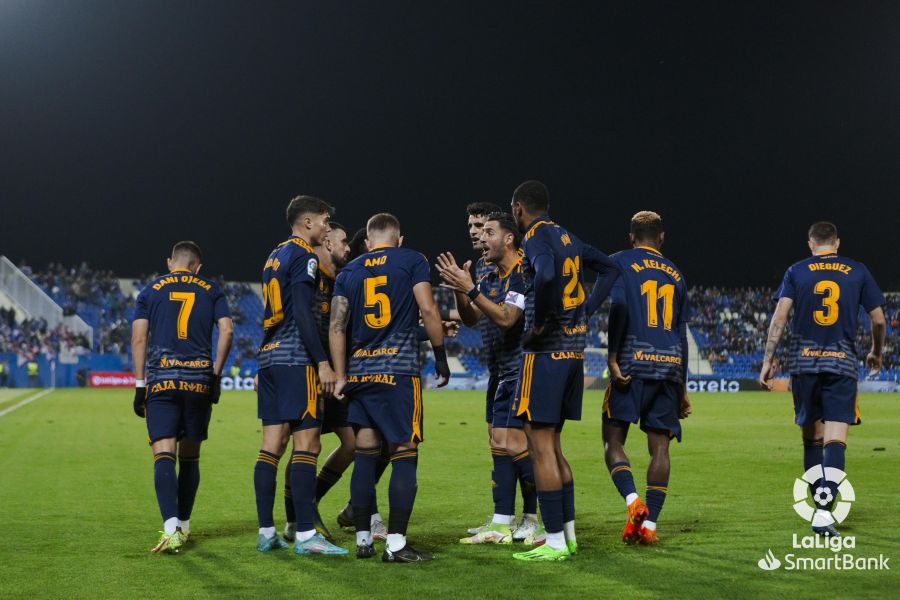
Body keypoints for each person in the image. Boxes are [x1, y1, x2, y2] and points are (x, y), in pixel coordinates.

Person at [508, 180, 619, 561]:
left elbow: (548, 276)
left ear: (519, 209)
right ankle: (568, 536)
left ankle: (554, 540)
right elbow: (610, 269)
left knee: (539, 448)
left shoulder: (536, 237)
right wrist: (586, 308)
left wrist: (540, 323)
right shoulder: (569, 237)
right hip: (573, 352)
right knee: (553, 445)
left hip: (545, 353)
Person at [330, 212, 450, 562]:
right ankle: (396, 543)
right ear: (400, 238)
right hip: (397, 373)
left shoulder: (348, 271)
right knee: (404, 453)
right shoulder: (412, 259)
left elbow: (337, 327)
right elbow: (427, 308)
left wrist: (340, 374)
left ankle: (364, 539)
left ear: (367, 243)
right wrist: (440, 354)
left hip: (360, 374)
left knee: (365, 454)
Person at [759, 221, 885, 537]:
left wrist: (767, 359)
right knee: (835, 439)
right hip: (841, 363)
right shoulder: (857, 270)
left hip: (803, 364)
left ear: (810, 244)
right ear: (837, 243)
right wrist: (876, 351)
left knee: (812, 439)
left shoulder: (796, 271)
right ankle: (824, 514)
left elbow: (779, 317)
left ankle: (819, 508)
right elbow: (879, 319)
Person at [437, 212, 540, 544]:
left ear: (504, 235)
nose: (476, 236)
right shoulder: (490, 273)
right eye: (471, 229)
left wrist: (471, 288)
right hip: (499, 368)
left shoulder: (524, 270)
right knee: (499, 443)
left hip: (522, 367)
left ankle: (539, 517)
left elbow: (509, 319)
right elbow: (471, 318)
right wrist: (461, 289)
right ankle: (501, 519)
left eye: (482, 229)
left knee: (518, 444)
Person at [253, 195, 346, 556]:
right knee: (308, 446)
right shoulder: (304, 255)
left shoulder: (273, 256)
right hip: (296, 360)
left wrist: (262, 356)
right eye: (324, 221)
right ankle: (307, 536)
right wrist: (322, 361)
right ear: (306, 222)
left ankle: (266, 531)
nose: (326, 229)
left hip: (270, 359)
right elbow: (304, 314)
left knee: (271, 447)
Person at [131, 241, 234, 554]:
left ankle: (170, 527)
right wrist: (215, 375)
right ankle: (186, 526)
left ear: (169, 263)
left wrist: (139, 385)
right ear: (197, 266)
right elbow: (227, 331)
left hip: (162, 381)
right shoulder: (212, 289)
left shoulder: (149, 291)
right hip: (198, 381)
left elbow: (139, 337)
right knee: (191, 455)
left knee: (164, 453)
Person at [603, 211, 691, 546]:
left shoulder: (620, 262)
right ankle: (650, 526)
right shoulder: (677, 275)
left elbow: (619, 307)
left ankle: (633, 502)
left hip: (632, 363)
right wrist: (682, 387)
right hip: (669, 365)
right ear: (662, 237)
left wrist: (612, 356)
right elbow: (681, 335)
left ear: (631, 236)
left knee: (613, 442)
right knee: (660, 450)